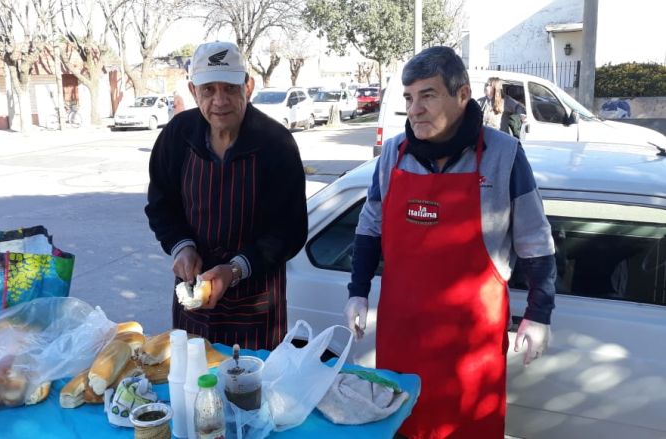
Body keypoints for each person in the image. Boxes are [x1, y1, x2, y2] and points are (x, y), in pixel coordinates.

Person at [343, 47, 556, 438]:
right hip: (401, 337)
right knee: (400, 425)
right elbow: (369, 227)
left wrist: (539, 312)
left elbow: (535, 241)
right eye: (409, 97)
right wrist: (357, 291)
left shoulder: (504, 155)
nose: (415, 109)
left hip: (470, 348)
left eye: (428, 95)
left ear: (462, 95)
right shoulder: (392, 155)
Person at [145, 41, 308, 351]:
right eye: (208, 90)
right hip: (193, 297)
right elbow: (161, 205)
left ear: (248, 86)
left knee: (252, 389)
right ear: (193, 91)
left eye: (229, 88)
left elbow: (289, 230)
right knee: (194, 382)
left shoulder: (276, 143)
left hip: (256, 305)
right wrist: (182, 247)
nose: (219, 101)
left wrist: (235, 270)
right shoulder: (178, 135)